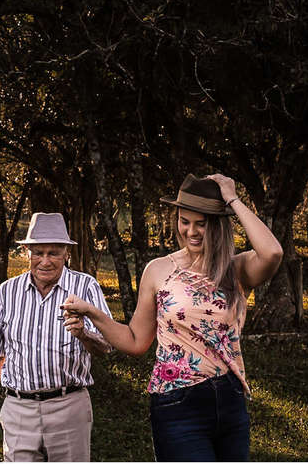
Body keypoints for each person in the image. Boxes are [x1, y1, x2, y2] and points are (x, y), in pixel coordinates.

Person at [62, 173, 283, 461]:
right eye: (184, 221)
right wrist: (93, 314)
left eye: (201, 224)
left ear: (217, 225)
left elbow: (273, 252)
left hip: (230, 401)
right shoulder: (158, 270)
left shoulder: (236, 269)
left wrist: (233, 199)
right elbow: (136, 340)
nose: (191, 231)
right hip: (178, 403)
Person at [0, 212, 113, 462]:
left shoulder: (86, 287)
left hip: (69, 407)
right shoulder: (8, 291)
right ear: (27, 253)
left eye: (53, 253)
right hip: (18, 409)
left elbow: (107, 346)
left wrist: (84, 334)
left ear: (66, 254)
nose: (45, 261)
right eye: (38, 253)